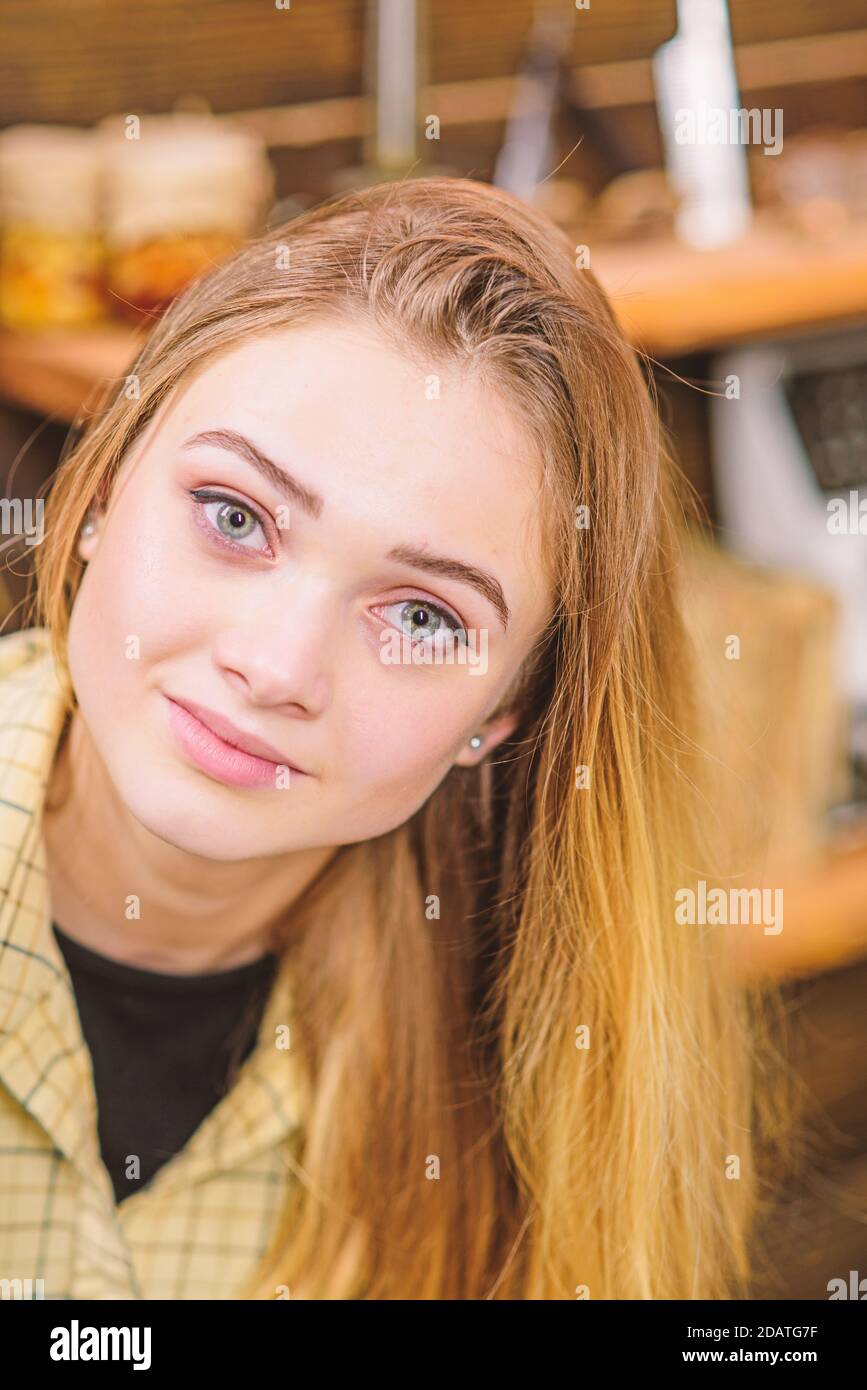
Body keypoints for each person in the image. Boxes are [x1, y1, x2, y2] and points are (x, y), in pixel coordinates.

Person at [0, 176, 792, 1299]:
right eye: (235, 517)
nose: (274, 667)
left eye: (422, 616)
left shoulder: (526, 1078)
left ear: (504, 713)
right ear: (101, 499)